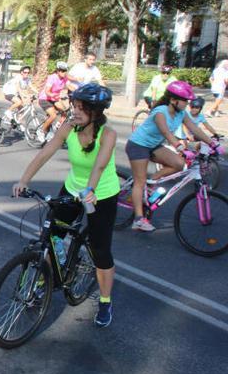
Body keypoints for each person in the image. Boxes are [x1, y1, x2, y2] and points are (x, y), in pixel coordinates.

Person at [12, 83, 119, 328]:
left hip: (100, 194)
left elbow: (99, 166)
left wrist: (90, 190)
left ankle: (105, 301)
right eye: (75, 106)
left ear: (96, 112)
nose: (76, 111)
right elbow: (44, 153)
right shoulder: (69, 127)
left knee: (100, 250)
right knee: (52, 236)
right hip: (72, 189)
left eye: (82, 108)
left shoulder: (108, 134)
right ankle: (43, 282)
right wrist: (23, 180)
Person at [125, 80, 213, 232]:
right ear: (173, 100)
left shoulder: (181, 113)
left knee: (179, 164)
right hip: (138, 145)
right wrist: (180, 147)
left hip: (153, 145)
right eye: (185, 100)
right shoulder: (160, 111)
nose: (187, 104)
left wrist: (213, 143)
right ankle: (138, 219)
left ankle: (151, 182)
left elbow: (194, 129)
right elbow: (166, 132)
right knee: (139, 181)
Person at [37, 61, 70, 142]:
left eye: (65, 71)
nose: (64, 72)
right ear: (58, 71)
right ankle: (41, 131)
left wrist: (80, 91)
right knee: (53, 115)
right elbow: (47, 91)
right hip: (44, 98)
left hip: (54, 99)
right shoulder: (52, 77)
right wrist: (52, 95)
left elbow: (70, 86)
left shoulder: (65, 79)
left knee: (65, 112)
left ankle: (55, 128)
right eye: (62, 71)